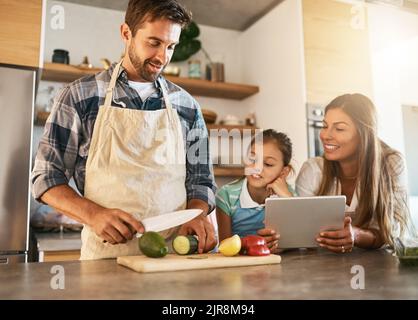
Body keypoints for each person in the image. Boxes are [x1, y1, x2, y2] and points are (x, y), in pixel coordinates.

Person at [31, 0, 217, 260]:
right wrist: (93, 215)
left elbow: (201, 181)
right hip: (105, 257)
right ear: (126, 33)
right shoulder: (79, 96)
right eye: (154, 43)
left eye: (170, 46)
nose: (162, 57)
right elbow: (45, 177)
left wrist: (198, 213)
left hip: (173, 258)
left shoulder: (187, 106)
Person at [296, 93, 415, 253]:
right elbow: (302, 233)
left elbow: (395, 232)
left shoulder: (391, 164)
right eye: (325, 126)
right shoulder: (313, 170)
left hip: (381, 267)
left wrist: (357, 235)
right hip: (326, 267)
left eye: (339, 128)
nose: (325, 135)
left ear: (363, 134)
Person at [216, 129, 295, 253]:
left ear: (284, 171)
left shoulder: (288, 195)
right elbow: (224, 246)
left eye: (268, 164)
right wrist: (256, 243)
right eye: (252, 160)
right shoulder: (226, 195)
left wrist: (287, 197)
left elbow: (300, 240)